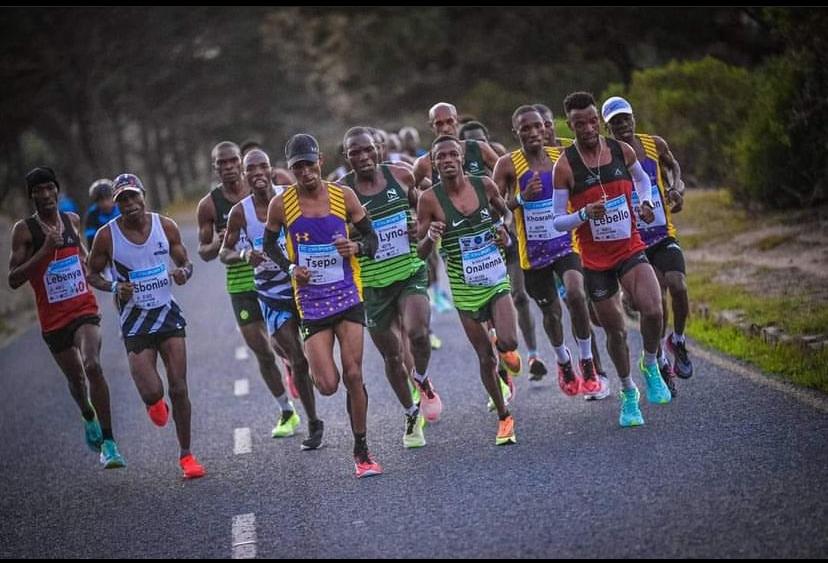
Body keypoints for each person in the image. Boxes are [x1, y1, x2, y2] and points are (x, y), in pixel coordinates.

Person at [262, 134, 383, 478]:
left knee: (354, 374)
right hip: (312, 303)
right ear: (291, 169)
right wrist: (289, 267)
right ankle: (307, 369)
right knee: (328, 385)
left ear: (320, 163)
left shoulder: (343, 196)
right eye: (297, 167)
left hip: (347, 295)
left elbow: (372, 239)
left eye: (309, 164)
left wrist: (355, 249)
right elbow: (268, 246)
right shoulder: (281, 204)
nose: (305, 172)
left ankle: (361, 451)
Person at [552, 92, 672, 428]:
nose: (588, 128)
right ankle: (628, 391)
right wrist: (583, 215)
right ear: (571, 125)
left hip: (630, 247)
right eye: (580, 124)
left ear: (598, 120)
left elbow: (644, 180)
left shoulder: (621, 150)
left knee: (653, 309)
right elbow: (557, 219)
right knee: (616, 331)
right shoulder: (565, 166)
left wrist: (645, 202)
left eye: (592, 121)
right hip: (595, 261)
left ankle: (650, 363)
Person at [87, 173, 205, 479]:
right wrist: (114, 287)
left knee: (179, 387)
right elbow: (93, 274)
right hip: (135, 321)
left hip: (167, 314)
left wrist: (183, 273)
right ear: (116, 205)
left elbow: (186, 263)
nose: (129, 204)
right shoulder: (106, 236)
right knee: (153, 393)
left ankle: (187, 456)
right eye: (122, 200)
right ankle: (155, 403)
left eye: (133, 197)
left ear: (143, 195)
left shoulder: (165, 226)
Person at [8, 167, 125, 469]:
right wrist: (45, 251)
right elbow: (14, 279)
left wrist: (104, 274)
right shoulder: (25, 231)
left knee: (93, 365)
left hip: (83, 309)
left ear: (57, 190)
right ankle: (87, 414)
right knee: (76, 379)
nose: (46, 195)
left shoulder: (71, 221)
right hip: (53, 319)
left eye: (50, 188)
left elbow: (85, 260)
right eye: (39, 190)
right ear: (31, 195)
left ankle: (110, 445)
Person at [340, 127, 443, 448]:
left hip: (409, 271)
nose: (363, 157)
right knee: (392, 356)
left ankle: (422, 381)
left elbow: (425, 209)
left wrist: (418, 226)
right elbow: (336, 238)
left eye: (368, 149)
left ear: (378, 150)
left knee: (418, 334)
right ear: (347, 158)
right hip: (371, 284)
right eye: (355, 152)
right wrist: (357, 242)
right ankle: (412, 414)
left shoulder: (401, 176)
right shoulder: (342, 194)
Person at [495, 106, 607, 398]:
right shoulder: (508, 165)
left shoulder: (562, 158)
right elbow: (493, 208)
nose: (533, 133)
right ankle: (563, 361)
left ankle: (587, 360)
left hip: (566, 245)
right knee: (552, 315)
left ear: (546, 129)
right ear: (516, 132)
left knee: (576, 294)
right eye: (525, 129)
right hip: (532, 255)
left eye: (537, 127)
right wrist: (521, 198)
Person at [417, 135, 520, 445]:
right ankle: (504, 417)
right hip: (464, 288)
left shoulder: (484, 185)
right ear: (434, 163)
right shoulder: (429, 200)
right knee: (485, 358)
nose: (448, 160)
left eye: (453, 154)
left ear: (461, 157)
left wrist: (506, 235)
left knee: (509, 340)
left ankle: (505, 346)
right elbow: (420, 253)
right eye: (441, 157)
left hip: (494, 276)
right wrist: (431, 236)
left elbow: (506, 215)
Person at [221, 149, 324, 448]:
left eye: (261, 167)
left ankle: (316, 382)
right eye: (250, 169)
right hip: (270, 294)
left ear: (270, 170)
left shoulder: (290, 197)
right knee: (297, 358)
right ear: (244, 174)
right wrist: (243, 254)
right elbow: (223, 252)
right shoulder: (240, 212)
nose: (256, 173)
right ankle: (314, 423)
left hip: (303, 286)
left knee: (315, 358)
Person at [197, 142, 301, 407]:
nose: (229, 167)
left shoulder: (266, 191)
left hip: (277, 280)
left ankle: (291, 364)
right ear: (215, 168)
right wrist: (222, 243)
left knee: (284, 344)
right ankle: (286, 410)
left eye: (233, 161)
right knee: (263, 352)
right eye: (222, 163)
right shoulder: (210, 205)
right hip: (241, 285)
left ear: (241, 163)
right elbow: (205, 252)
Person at [602, 96, 692, 392]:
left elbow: (674, 167)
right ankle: (659, 360)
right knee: (655, 303)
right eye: (615, 123)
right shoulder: (608, 155)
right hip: (634, 242)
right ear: (608, 128)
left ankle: (677, 341)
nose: (622, 126)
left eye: (625, 119)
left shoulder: (654, 144)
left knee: (678, 285)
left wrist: (677, 189)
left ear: (633, 118)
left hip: (662, 233)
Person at [535, 102, 612, 399]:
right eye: (536, 125)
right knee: (574, 305)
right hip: (551, 249)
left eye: (546, 123)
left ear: (553, 125)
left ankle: (596, 365)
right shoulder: (523, 162)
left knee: (592, 308)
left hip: (585, 243)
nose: (543, 130)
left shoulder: (573, 151)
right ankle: (595, 371)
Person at [84, 179, 120, 249]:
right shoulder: (92, 215)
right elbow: (91, 241)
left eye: (108, 198)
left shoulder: (121, 209)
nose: (105, 203)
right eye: (101, 200)